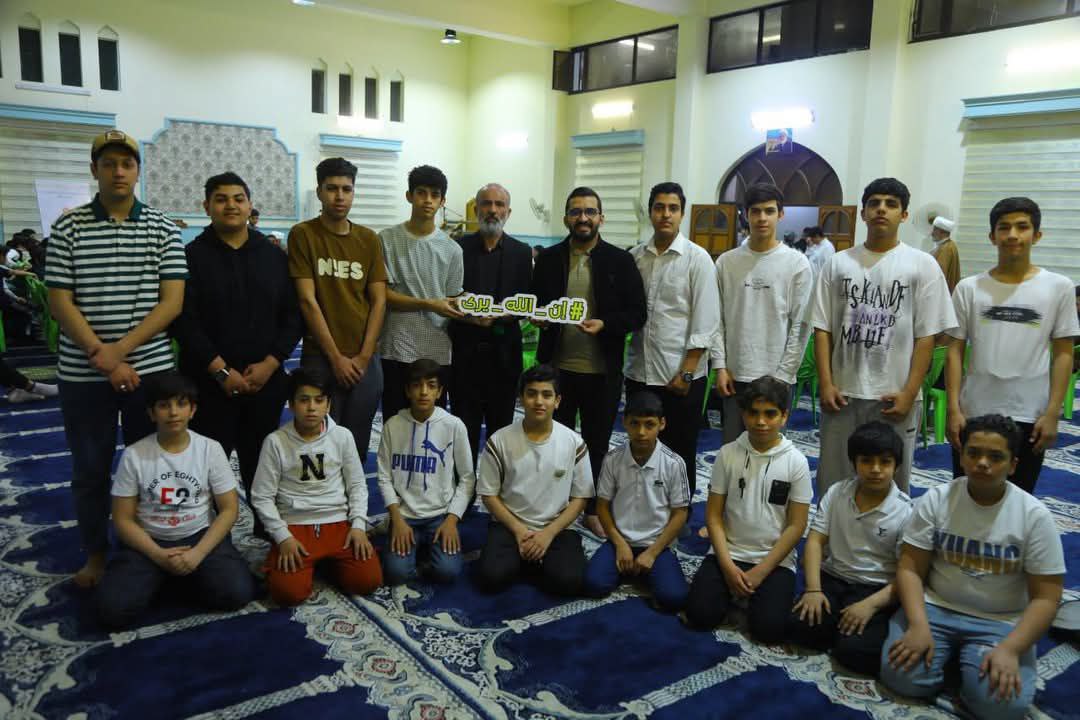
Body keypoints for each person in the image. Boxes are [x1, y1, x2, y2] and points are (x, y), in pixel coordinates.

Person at [47, 129, 188, 588]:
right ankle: (96, 554)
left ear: (138, 170)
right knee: (90, 469)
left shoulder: (162, 227)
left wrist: (119, 352)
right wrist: (103, 357)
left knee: (153, 467)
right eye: (108, 164)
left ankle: (147, 551)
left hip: (150, 372)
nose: (118, 172)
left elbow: (171, 303)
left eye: (126, 164)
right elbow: (60, 301)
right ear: (95, 170)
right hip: (83, 374)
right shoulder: (68, 227)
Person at [881, 415, 1065, 720]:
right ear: (962, 457)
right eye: (974, 453)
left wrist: (1010, 649)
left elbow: (1047, 597)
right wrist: (918, 624)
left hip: (1000, 621)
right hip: (935, 608)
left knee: (1001, 707)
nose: (982, 463)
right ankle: (962, 666)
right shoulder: (937, 499)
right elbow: (910, 568)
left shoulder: (1034, 516)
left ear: (1013, 465)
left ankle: (969, 669)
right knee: (901, 678)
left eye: (995, 457)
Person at [173, 172, 301, 537]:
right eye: (221, 199)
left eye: (238, 198)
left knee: (262, 463)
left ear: (249, 205)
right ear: (206, 207)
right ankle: (210, 542)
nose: (231, 205)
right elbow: (183, 320)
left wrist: (271, 363)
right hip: (207, 384)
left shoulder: (273, 257)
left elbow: (293, 316)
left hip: (265, 383)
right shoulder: (190, 257)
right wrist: (219, 370)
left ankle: (269, 534)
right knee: (206, 467)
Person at [811, 177, 956, 494]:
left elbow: (927, 336)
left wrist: (910, 392)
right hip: (843, 393)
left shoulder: (923, 265)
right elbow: (823, 329)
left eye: (891, 204)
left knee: (891, 485)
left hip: (894, 396)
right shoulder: (838, 264)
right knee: (834, 481)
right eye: (874, 203)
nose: (881, 209)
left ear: (903, 215)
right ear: (863, 213)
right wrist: (826, 383)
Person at [96, 372, 256, 628]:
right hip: (150, 540)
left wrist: (198, 554)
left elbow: (229, 510)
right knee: (112, 610)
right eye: (164, 405)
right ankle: (170, 574)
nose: (173, 413)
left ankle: (171, 576)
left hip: (198, 535)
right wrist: (158, 555)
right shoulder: (134, 455)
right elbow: (123, 519)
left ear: (192, 410)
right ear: (151, 413)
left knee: (236, 593)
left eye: (181, 404)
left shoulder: (210, 449)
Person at [532, 186, 646, 537]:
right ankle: (557, 503)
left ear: (601, 218)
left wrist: (606, 324)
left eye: (590, 212)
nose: (583, 218)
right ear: (566, 218)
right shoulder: (549, 259)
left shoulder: (620, 261)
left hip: (601, 371)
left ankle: (593, 508)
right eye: (576, 211)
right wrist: (539, 317)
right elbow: (535, 302)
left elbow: (637, 313)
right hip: (557, 372)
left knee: (596, 443)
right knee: (556, 442)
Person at [945, 197, 1077, 494]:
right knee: (966, 494)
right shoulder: (969, 288)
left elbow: (1063, 354)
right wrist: (954, 408)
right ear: (992, 236)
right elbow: (954, 351)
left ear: (1037, 235)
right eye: (1004, 228)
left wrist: (1052, 412)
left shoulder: (1059, 287)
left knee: (1019, 497)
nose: (1013, 235)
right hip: (974, 409)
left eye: (1022, 227)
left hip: (1030, 412)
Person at [684, 376, 812, 641]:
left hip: (773, 559)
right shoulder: (727, 454)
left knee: (769, 630)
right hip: (729, 552)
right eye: (753, 413)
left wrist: (761, 571)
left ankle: (744, 594)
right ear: (743, 415)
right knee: (699, 616)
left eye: (770, 414)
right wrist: (727, 566)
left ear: (784, 417)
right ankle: (736, 590)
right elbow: (713, 516)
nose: (761, 421)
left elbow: (797, 525)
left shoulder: (796, 462)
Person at [786, 421, 912, 675]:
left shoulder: (906, 511)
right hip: (833, 578)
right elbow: (815, 541)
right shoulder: (836, 492)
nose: (875, 469)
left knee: (856, 652)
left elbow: (907, 574)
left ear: (896, 466)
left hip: (875, 588)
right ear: (854, 462)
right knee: (796, 628)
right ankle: (836, 627)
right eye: (866, 461)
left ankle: (863, 626)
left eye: (885, 462)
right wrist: (813, 589)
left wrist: (871, 605)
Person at [251, 367, 382, 606]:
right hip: (295, 527)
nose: (311, 407)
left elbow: (357, 485)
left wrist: (358, 525)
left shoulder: (342, 436)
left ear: (328, 405)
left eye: (319, 400)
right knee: (287, 594)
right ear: (291, 405)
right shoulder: (275, 442)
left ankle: (326, 562)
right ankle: (313, 563)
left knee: (367, 581)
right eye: (304, 400)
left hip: (338, 524)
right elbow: (261, 496)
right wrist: (282, 537)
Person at [288, 157, 387, 469]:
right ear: (319, 191)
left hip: (364, 359)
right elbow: (307, 300)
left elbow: (379, 301)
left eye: (347, 189)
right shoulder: (303, 235)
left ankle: (353, 499)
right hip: (321, 356)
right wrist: (336, 358)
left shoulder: (368, 239)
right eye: (332, 188)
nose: (339, 196)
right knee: (318, 441)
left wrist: (363, 356)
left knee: (355, 445)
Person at [627, 182, 719, 511]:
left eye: (673, 208)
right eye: (659, 207)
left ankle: (678, 514)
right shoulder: (635, 257)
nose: (665, 214)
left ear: (682, 214)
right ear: (650, 212)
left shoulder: (697, 258)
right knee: (641, 448)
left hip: (680, 375)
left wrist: (687, 372)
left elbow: (706, 320)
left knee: (679, 450)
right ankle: (643, 508)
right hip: (640, 371)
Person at [475, 364, 593, 595]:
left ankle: (531, 559)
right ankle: (533, 559)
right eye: (532, 394)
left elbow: (581, 498)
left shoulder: (573, 442)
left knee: (569, 582)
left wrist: (548, 534)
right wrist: (519, 530)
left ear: (557, 401)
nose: (539, 401)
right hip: (510, 525)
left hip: (556, 527)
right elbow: (489, 495)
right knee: (491, 578)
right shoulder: (499, 440)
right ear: (521, 399)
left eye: (547, 395)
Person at [712, 183, 812, 446]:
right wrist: (720, 366)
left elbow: (801, 325)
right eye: (755, 211)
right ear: (746, 214)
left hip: (776, 376)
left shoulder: (797, 264)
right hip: (734, 374)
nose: (762, 218)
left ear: (781, 214)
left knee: (770, 453)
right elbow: (717, 319)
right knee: (732, 449)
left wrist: (783, 376)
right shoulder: (727, 262)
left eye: (769, 211)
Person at [582, 391, 690, 611]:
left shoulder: (674, 463)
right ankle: (634, 567)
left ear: (662, 424)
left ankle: (641, 567)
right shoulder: (613, 459)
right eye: (635, 424)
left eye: (649, 425)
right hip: (620, 540)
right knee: (593, 584)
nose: (641, 432)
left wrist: (652, 552)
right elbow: (602, 506)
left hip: (657, 543)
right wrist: (620, 544)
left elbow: (681, 513)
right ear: (625, 423)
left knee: (674, 598)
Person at [452, 184, 532, 463]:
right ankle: (463, 485)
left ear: (508, 212)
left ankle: (497, 483)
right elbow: (447, 294)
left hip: (504, 358)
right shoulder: (457, 248)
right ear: (476, 210)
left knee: (502, 433)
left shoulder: (522, 252)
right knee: (464, 430)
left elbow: (527, 300)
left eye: (499, 205)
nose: (493, 210)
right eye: (487, 204)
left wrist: (504, 315)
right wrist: (470, 316)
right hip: (464, 356)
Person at [378, 359, 475, 584]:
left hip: (440, 516)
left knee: (448, 572)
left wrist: (452, 520)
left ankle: (425, 547)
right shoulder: (393, 425)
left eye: (431, 385)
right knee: (396, 574)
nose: (424, 392)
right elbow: (383, 477)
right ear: (407, 390)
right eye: (417, 385)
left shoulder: (454, 426)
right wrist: (396, 519)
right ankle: (409, 544)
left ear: (440, 391)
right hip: (404, 516)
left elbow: (468, 478)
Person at [379, 165, 464, 420]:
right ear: (409, 196)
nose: (428, 200)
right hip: (396, 346)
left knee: (433, 424)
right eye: (421, 193)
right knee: (396, 421)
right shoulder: (386, 239)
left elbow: (453, 299)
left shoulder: (452, 250)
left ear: (442, 201)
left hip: (437, 348)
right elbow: (383, 295)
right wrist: (429, 304)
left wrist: (472, 308)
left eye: (435, 195)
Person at [929, 216, 961, 293]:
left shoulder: (946, 249)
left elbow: (939, 275)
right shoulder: (949, 245)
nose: (931, 233)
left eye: (934, 230)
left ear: (943, 232)